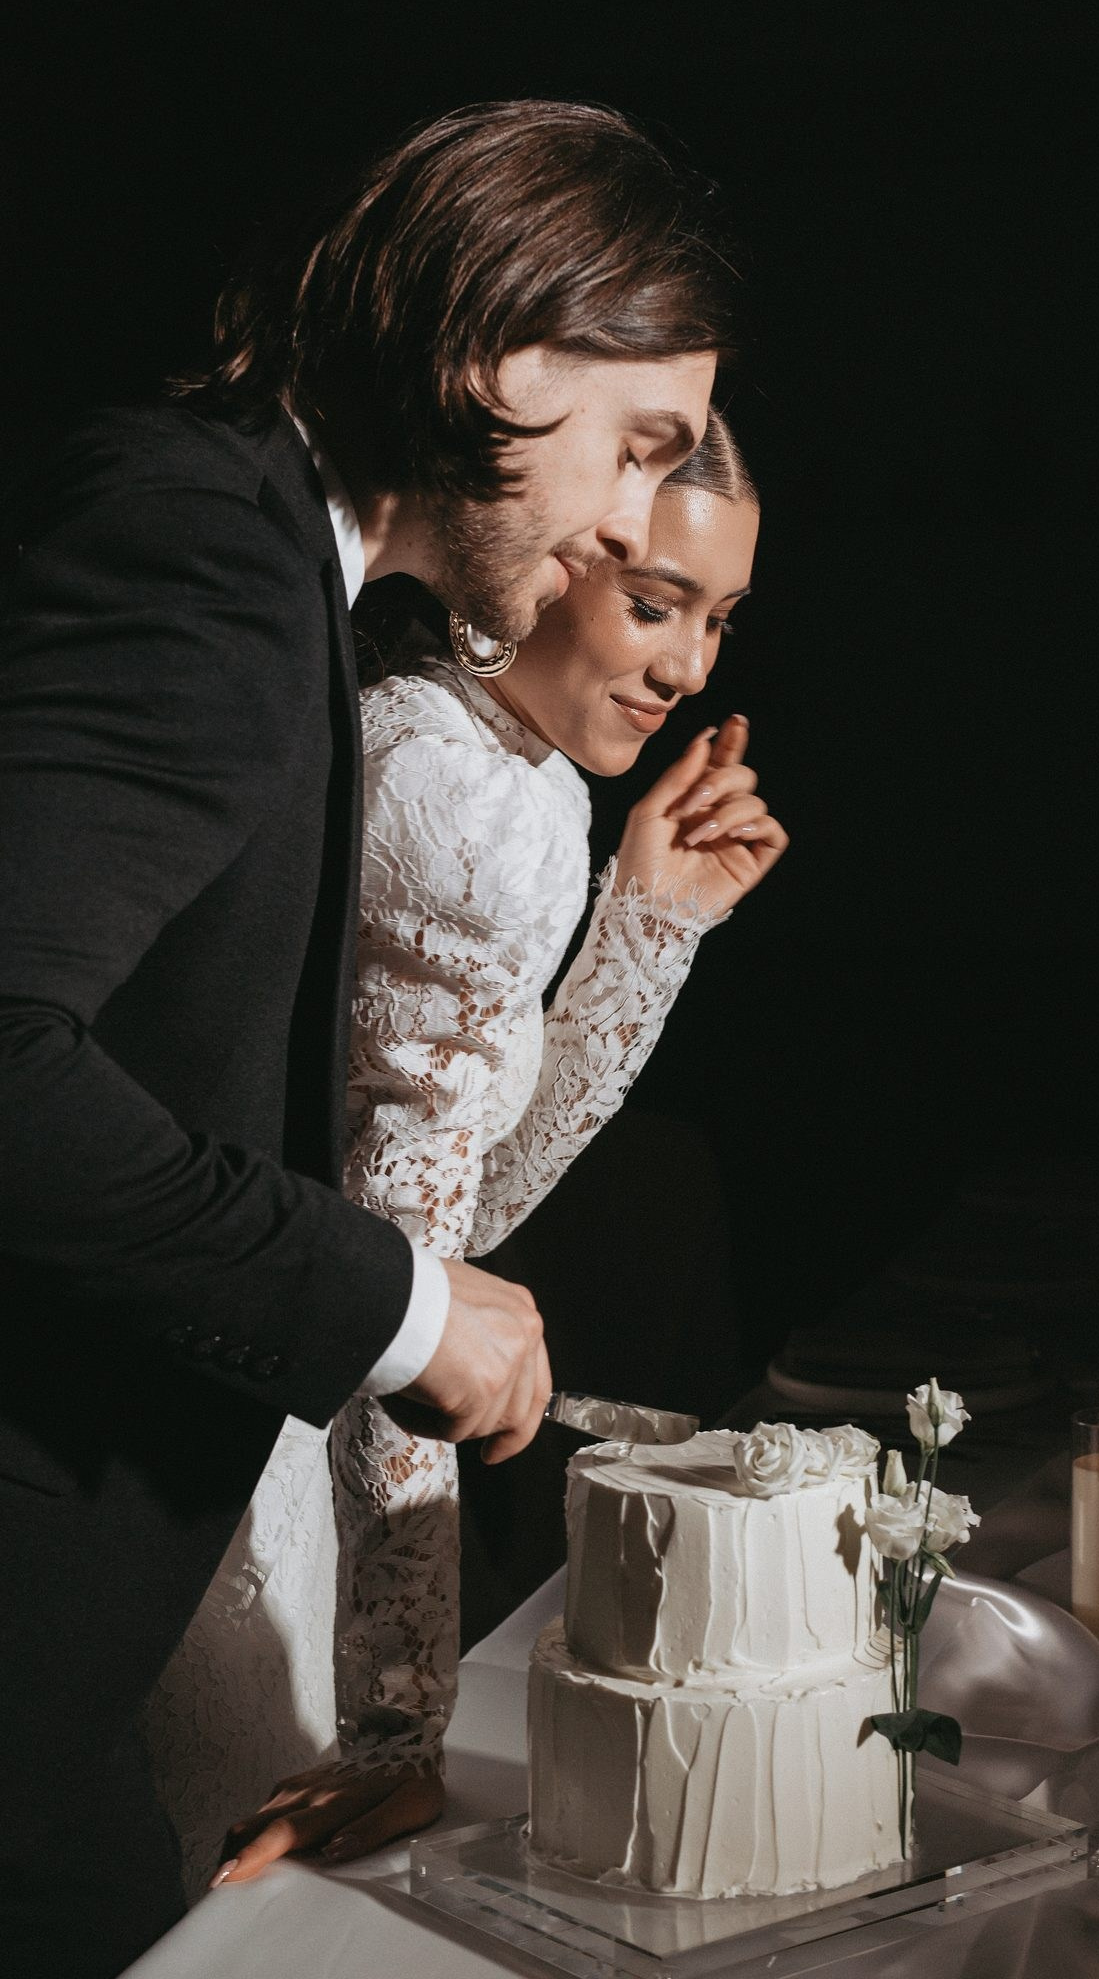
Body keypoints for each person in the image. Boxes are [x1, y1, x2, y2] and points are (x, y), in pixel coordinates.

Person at [0, 99, 736, 1979]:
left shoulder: (263, 550)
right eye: (635, 447)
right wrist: (404, 1309)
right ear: (503, 360)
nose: (624, 522)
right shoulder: (198, 549)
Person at [143, 408, 786, 1894]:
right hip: (248, 1444)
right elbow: (406, 1295)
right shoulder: (470, 806)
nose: (692, 668)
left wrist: (647, 929)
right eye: (653, 603)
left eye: (720, 619)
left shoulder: (509, 770)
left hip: (270, 1394)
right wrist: (396, 1720)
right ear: (548, 557)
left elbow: (460, 1207)